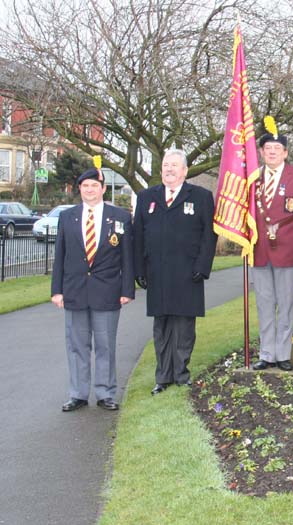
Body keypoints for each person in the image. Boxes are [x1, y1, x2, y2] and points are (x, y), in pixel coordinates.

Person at [133, 148, 217, 395]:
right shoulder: (146, 197)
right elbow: (138, 235)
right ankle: (163, 376)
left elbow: (208, 236)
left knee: (183, 327)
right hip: (157, 273)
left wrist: (202, 267)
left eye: (174, 166)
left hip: (188, 273)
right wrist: (140, 269)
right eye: (165, 166)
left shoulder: (200, 196)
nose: (169, 170)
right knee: (162, 327)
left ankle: (181, 374)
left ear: (184, 171)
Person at [51, 163, 134, 411]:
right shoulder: (67, 217)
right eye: (85, 186)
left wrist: (126, 290)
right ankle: (77, 394)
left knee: (105, 345)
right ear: (79, 189)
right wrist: (57, 290)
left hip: (107, 291)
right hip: (75, 291)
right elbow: (60, 256)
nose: (90, 190)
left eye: (94, 186)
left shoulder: (119, 217)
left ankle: (105, 393)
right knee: (77, 345)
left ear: (103, 188)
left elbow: (127, 257)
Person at [250, 117, 293, 372]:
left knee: (285, 304)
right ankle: (267, 353)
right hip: (259, 251)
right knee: (264, 304)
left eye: (277, 149)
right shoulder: (252, 179)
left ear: (285, 153)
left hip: (288, 250)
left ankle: (283, 354)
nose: (273, 153)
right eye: (268, 149)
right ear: (262, 152)